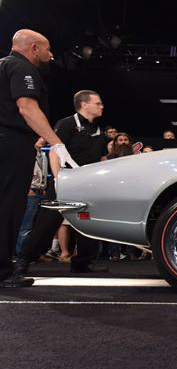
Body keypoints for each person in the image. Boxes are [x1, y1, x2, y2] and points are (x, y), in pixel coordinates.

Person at [1, 29, 75, 288]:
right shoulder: (23, 68)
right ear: (34, 48)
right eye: (47, 49)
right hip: (10, 144)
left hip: (8, 140)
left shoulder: (3, 65)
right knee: (9, 206)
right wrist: (56, 142)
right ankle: (3, 271)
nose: (51, 54)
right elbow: (26, 107)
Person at [15, 90, 109, 276]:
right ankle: (23, 260)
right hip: (66, 181)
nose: (101, 106)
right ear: (84, 105)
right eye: (98, 103)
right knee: (47, 222)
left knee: (89, 223)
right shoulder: (66, 124)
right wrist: (58, 179)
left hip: (89, 184)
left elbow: (100, 157)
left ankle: (82, 263)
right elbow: (54, 151)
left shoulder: (98, 130)